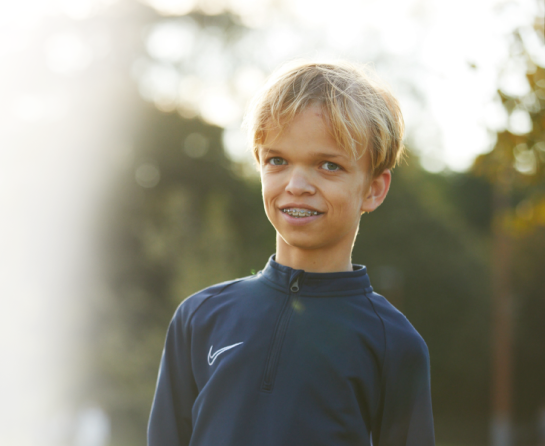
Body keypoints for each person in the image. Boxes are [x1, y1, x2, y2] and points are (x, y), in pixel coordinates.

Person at [147, 61, 435, 445]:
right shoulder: (199, 317)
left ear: (374, 189)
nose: (296, 185)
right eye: (277, 161)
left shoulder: (394, 343)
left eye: (328, 165)